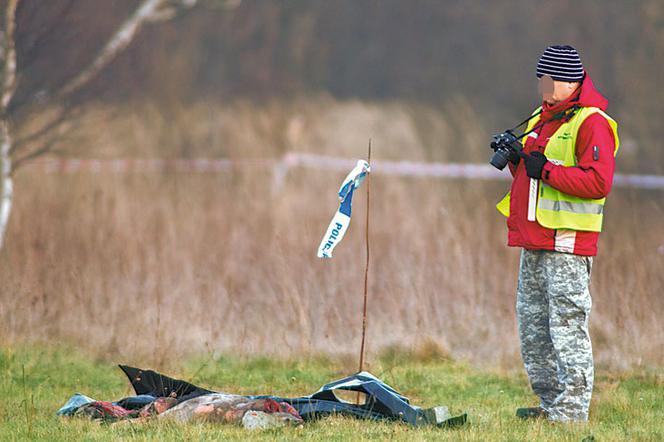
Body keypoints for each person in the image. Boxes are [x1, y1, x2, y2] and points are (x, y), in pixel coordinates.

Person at [494, 45, 619, 422]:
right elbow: (533, 171)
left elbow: (599, 181)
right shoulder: (542, 116)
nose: (544, 89)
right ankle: (551, 404)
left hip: (566, 242)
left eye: (550, 81)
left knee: (566, 327)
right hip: (534, 240)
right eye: (541, 80)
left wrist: (544, 170)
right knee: (534, 330)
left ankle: (572, 411)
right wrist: (517, 156)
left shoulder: (592, 122)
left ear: (570, 81)